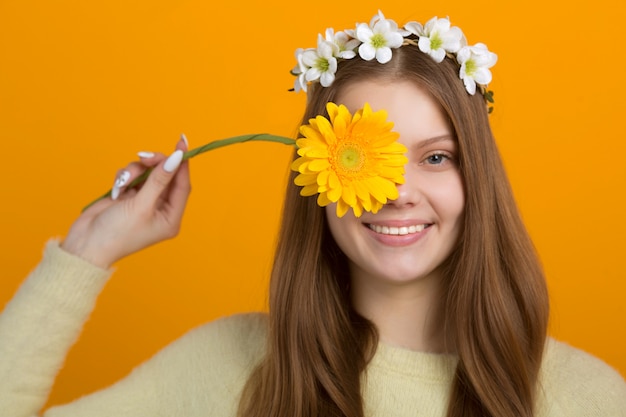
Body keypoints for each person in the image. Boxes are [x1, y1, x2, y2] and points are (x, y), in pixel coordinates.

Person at [1, 11, 625, 417]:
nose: (395, 190)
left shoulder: (589, 398)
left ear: (477, 180)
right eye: (364, 159)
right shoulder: (225, 367)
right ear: (316, 179)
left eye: (436, 158)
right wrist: (86, 255)